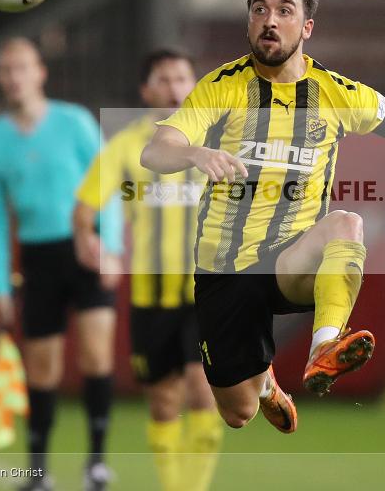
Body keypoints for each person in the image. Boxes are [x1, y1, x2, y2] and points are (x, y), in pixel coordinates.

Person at [140, 0, 385, 434]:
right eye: (259, 10)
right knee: (238, 413)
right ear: (248, 23)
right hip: (224, 268)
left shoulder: (334, 92)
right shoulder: (222, 86)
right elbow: (154, 152)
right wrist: (195, 151)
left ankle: (323, 348)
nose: (270, 20)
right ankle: (264, 383)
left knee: (347, 223)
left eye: (285, 11)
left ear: (306, 27)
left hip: (290, 257)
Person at [0, 37, 122, 491]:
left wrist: (110, 248)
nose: (14, 77)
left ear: (40, 72)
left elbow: (107, 188)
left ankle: (96, 462)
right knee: (43, 369)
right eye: (6, 70)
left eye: (22, 67)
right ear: (0, 79)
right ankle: (37, 472)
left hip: (84, 250)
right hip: (37, 260)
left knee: (97, 354)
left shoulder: (75, 123)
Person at [73, 49, 222, 491]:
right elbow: (84, 210)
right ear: (146, 91)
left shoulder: (221, 140)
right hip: (150, 295)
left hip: (207, 293)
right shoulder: (126, 146)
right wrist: (92, 241)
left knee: (201, 387)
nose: (174, 88)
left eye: (182, 78)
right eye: (163, 79)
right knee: (162, 402)